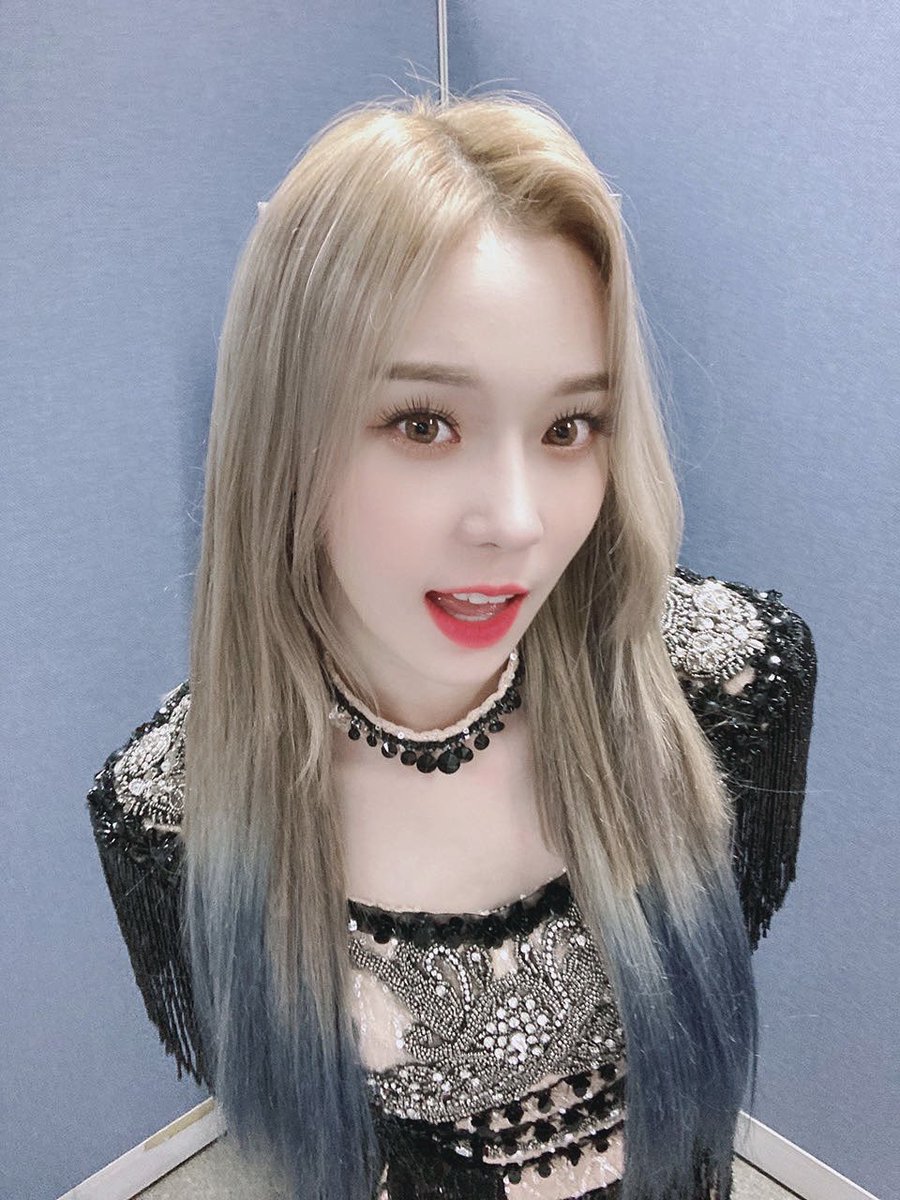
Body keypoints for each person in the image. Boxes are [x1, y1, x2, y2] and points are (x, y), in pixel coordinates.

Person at [86, 91, 817, 1200]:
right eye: (424, 423)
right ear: (284, 441)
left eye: (569, 427)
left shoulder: (727, 688)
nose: (517, 524)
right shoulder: (174, 813)